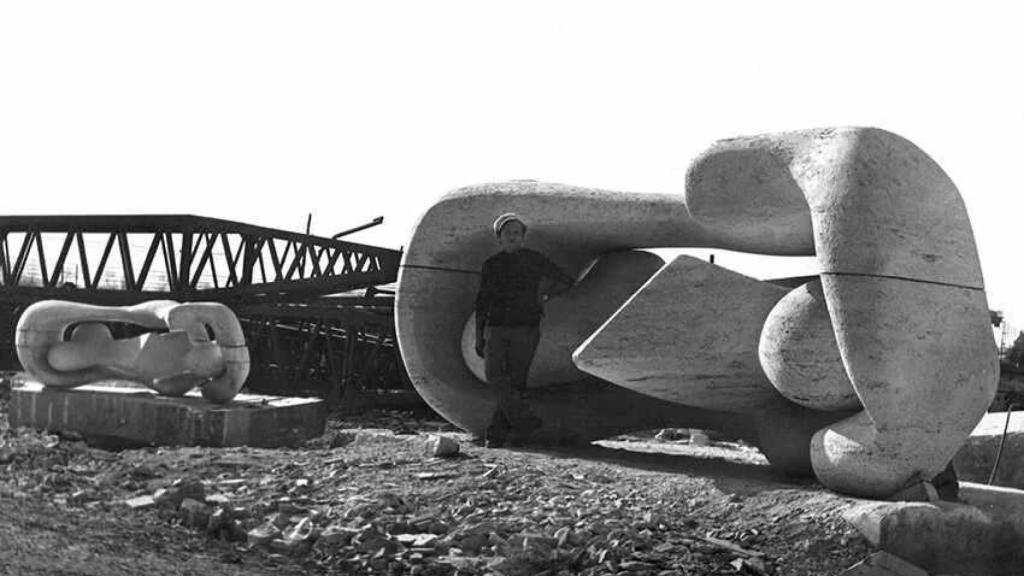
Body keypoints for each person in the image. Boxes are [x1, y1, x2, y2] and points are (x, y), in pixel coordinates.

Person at [474, 213, 575, 447]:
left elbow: (566, 280)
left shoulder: (535, 259)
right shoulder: (491, 265)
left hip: (527, 328)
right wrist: (479, 335)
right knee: (496, 377)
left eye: (517, 233)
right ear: (499, 237)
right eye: (508, 233)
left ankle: (498, 435)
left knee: (516, 382)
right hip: (496, 328)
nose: (513, 237)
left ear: (523, 237)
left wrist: (545, 296)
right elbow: (482, 301)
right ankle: (524, 422)